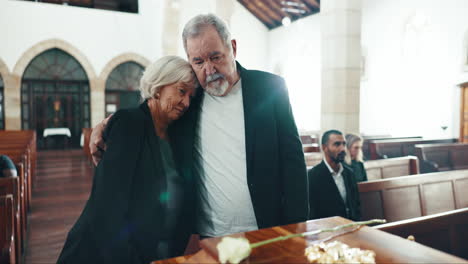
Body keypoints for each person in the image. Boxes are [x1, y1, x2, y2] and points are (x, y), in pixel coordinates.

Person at [90, 13, 309, 240]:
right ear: (189, 60)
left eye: (215, 57)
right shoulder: (189, 99)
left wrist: (297, 230)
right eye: (199, 62)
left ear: (232, 47)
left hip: (267, 229)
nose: (209, 69)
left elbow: (293, 161)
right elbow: (149, 114)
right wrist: (105, 126)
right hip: (209, 235)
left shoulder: (270, 88)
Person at [57, 56, 199, 264]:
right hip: (110, 255)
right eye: (181, 91)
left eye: (190, 96)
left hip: (159, 253)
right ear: (159, 86)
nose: (186, 102)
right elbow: (108, 207)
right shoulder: (130, 123)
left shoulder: (176, 133)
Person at [308, 130, 361, 221]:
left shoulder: (349, 173)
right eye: (337, 144)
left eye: (344, 144)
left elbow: (356, 206)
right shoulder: (313, 176)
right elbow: (313, 213)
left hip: (351, 227)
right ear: (324, 148)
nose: (342, 149)